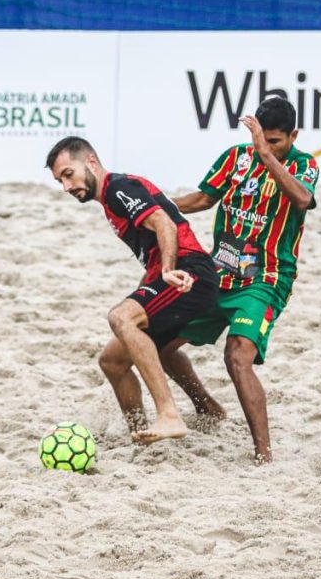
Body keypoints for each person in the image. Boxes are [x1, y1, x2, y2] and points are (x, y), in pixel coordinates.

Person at [161, 96, 319, 465]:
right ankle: (208, 408)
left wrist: (268, 156)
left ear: (293, 135)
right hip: (220, 272)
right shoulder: (235, 157)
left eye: (275, 140)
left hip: (266, 278)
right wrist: (156, 204)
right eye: (260, 138)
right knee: (162, 344)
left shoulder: (304, 164)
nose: (264, 145)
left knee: (237, 356)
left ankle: (264, 455)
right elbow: (203, 198)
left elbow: (302, 198)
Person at [46, 136, 222, 445]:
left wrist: (167, 271)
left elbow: (164, 223)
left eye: (68, 174)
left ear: (90, 162)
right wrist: (151, 283)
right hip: (178, 274)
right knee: (112, 361)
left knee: (121, 318)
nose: (66, 187)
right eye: (60, 180)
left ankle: (168, 415)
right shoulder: (112, 198)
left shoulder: (117, 188)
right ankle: (147, 429)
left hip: (190, 273)